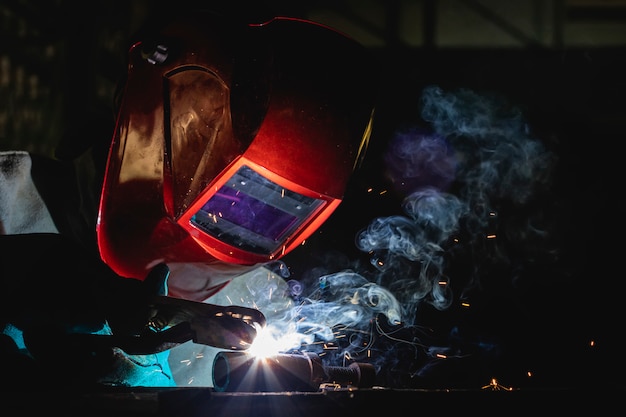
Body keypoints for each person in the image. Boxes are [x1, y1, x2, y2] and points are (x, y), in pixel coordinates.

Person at [0, 5, 378, 387]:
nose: (240, 217)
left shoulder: (261, 302)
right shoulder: (7, 200)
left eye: (273, 213)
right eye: (233, 197)